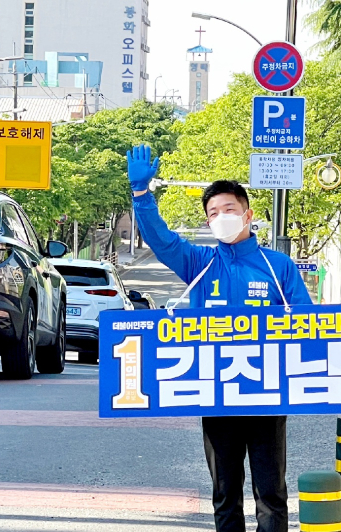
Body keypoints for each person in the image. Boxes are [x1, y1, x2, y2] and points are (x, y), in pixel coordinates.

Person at [127, 144, 312, 532]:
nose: (221, 217)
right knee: (225, 493)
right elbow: (162, 241)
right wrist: (142, 196)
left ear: (248, 214)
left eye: (228, 210)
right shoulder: (200, 262)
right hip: (216, 392)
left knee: (271, 494)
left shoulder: (277, 266)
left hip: (266, 394)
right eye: (213, 213)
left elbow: (312, 323)